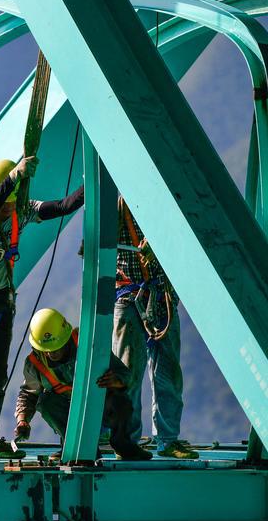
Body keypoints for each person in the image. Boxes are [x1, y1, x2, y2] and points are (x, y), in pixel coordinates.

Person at [0, 156, 84, 461]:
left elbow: (63, 206)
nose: (8, 208)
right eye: (5, 202)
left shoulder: (20, 210)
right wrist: (13, 179)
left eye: (12, 203)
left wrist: (92, 184)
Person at [112, 196, 196, 459]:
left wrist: (161, 241)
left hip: (161, 297)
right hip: (131, 297)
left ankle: (168, 440)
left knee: (168, 375)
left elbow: (186, 235)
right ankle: (127, 442)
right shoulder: (118, 204)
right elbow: (98, 238)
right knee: (127, 376)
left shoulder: (166, 202)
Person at [14, 308, 152, 461]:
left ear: (66, 337)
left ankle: (122, 444)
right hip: (67, 410)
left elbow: (125, 374)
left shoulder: (87, 343)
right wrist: (22, 420)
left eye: (56, 347)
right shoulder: (35, 363)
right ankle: (72, 447)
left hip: (98, 405)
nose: (50, 353)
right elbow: (28, 394)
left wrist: (117, 380)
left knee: (119, 399)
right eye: (45, 350)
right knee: (46, 402)